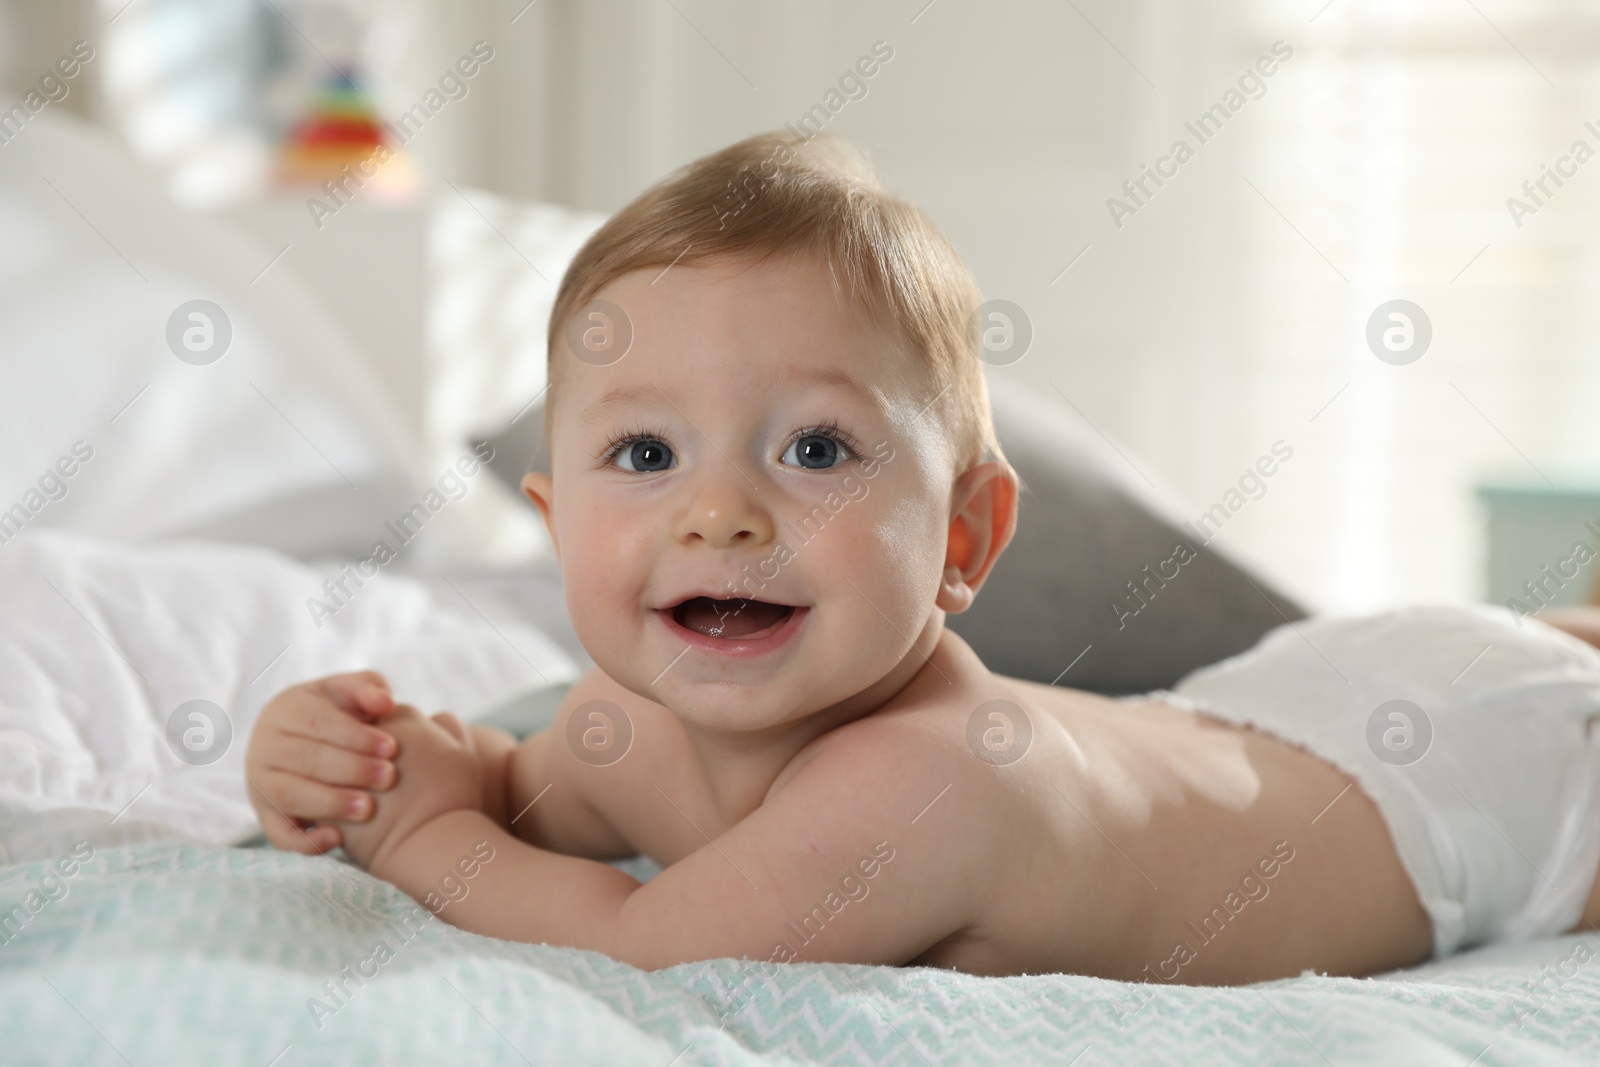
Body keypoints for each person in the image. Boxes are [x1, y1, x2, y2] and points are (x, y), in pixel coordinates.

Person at [245, 131, 1600, 985]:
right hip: (1300, 696)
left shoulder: (922, 782)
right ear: (552, 523)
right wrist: (356, 756)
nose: (718, 516)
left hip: (1469, 799)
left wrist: (413, 832)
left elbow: (637, 946)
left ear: (962, 540)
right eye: (647, 456)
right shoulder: (622, 725)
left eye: (817, 452)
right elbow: (504, 789)